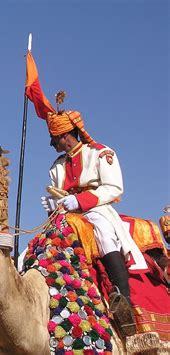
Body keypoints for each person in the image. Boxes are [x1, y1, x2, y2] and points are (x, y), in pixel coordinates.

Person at [40, 110, 147, 336]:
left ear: (66, 134)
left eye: (54, 137)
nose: (51, 143)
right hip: (67, 212)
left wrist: (80, 199)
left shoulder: (100, 153)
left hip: (96, 207)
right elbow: (60, 193)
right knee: (42, 245)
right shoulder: (56, 166)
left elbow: (114, 187)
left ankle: (123, 300)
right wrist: (54, 203)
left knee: (104, 233)